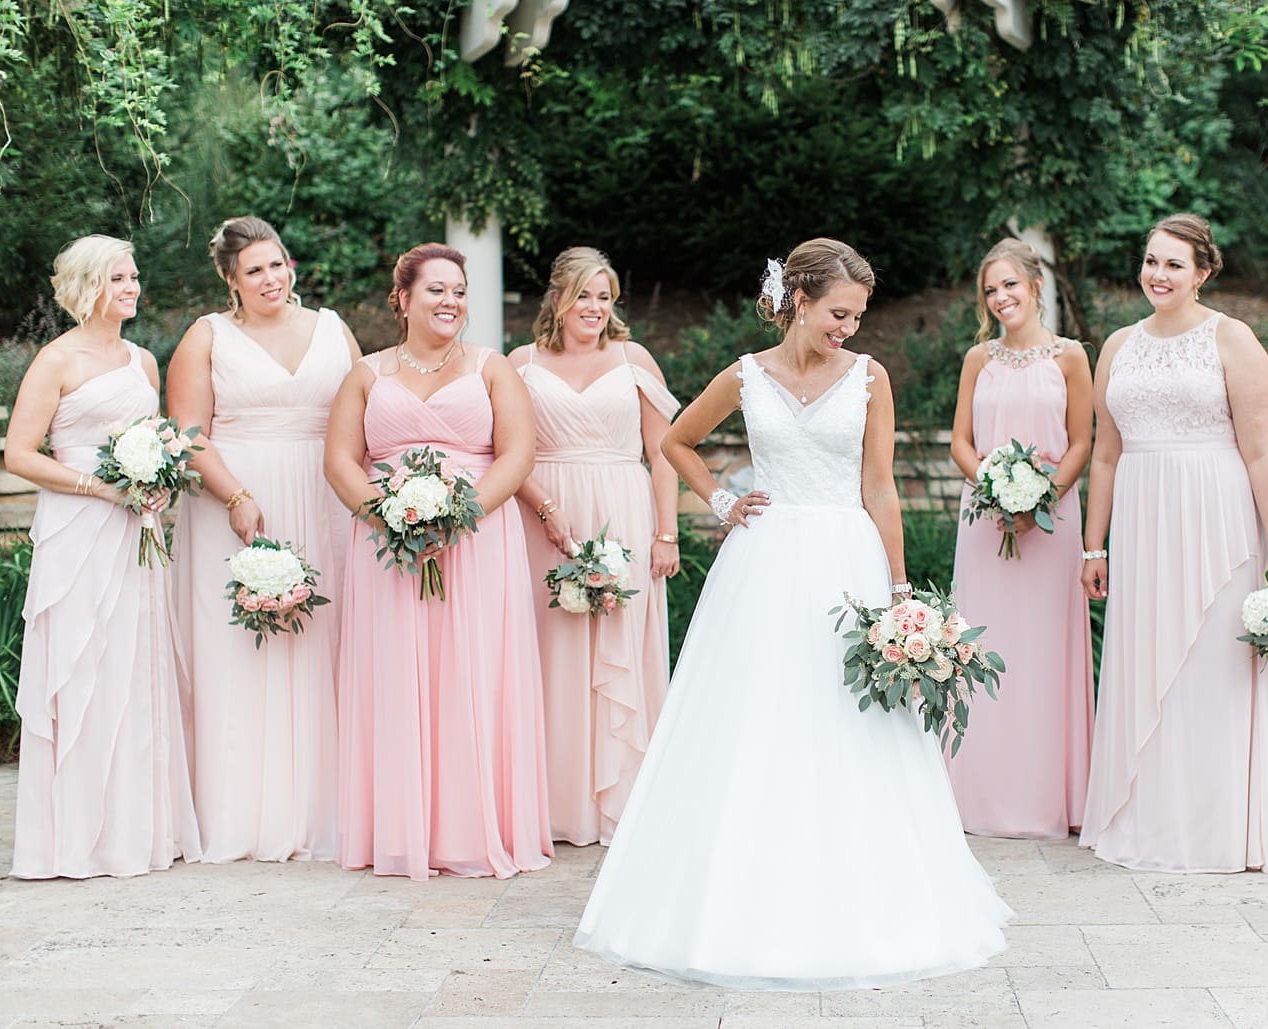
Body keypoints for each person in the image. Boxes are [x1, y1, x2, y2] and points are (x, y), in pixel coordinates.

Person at [575, 238, 1011, 989]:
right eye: (839, 312)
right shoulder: (745, 375)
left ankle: (859, 895)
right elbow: (675, 441)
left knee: (849, 726)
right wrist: (718, 499)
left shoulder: (869, 378)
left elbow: (879, 488)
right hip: (764, 562)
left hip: (846, 561)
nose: (849, 326)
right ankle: (735, 898)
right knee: (757, 721)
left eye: (858, 315)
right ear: (799, 300)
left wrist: (901, 592)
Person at [324, 242, 552, 880]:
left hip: (478, 539)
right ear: (402, 299)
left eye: (458, 291)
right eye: (436, 290)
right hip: (389, 547)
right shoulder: (367, 373)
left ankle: (475, 827)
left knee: (474, 671)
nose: (451, 301)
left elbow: (516, 455)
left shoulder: (491, 367)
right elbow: (341, 462)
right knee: (399, 673)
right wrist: (390, 518)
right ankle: (403, 831)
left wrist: (458, 517)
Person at [1079, 214, 1268, 874]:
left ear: (1202, 272)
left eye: (1173, 264)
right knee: (1145, 665)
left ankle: (1211, 829)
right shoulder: (1116, 344)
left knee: (1208, 669)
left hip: (1215, 518)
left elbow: (1260, 450)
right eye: (1150, 260)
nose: (1157, 274)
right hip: (1142, 522)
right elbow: (1104, 454)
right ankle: (1143, 819)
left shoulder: (1232, 339)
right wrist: (1093, 546)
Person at [6, 235, 200, 878]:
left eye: (135, 276)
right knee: (83, 665)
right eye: (121, 277)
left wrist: (159, 475)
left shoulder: (144, 361)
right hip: (79, 527)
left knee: (133, 666)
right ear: (90, 285)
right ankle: (75, 837)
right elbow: (20, 455)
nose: (134, 287)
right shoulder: (55, 359)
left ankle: (134, 831)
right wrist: (99, 486)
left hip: (137, 532)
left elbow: (160, 437)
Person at [167, 216, 359, 862]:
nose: (271, 278)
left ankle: (325, 809)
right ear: (230, 280)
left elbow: (368, 414)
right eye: (254, 270)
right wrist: (236, 496)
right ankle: (239, 812)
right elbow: (189, 434)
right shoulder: (208, 337)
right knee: (240, 652)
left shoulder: (333, 329)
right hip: (234, 501)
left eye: (277, 264)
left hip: (324, 494)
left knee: (321, 645)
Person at [508, 247, 680, 846]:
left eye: (605, 297)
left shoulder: (634, 359)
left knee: (617, 646)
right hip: (544, 517)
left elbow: (664, 452)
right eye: (584, 294)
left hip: (623, 510)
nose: (595, 307)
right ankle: (555, 804)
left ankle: (622, 796)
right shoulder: (521, 363)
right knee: (552, 651)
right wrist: (544, 509)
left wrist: (666, 532)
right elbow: (507, 452)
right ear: (558, 298)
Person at [946, 238, 1094, 839]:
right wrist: (995, 488)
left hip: (1052, 524)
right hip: (984, 523)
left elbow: (1082, 441)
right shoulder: (977, 359)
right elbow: (960, 440)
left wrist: (1039, 500)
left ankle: (1044, 797)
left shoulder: (1070, 357)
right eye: (990, 289)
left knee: (1042, 655)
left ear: (1035, 285)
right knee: (982, 648)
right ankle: (978, 796)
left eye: (1009, 284)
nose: (1000, 297)